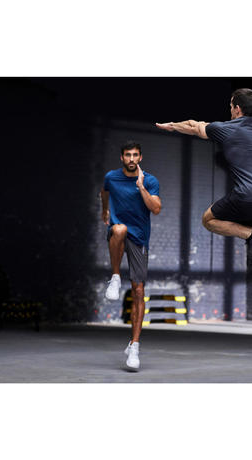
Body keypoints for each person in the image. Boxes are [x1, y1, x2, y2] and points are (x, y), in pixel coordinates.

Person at [156, 88, 252, 275]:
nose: (230, 110)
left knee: (209, 219)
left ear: (237, 109)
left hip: (249, 197)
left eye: (231, 106)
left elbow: (194, 126)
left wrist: (173, 125)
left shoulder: (227, 129)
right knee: (245, 220)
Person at [101, 141, 161, 371]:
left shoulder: (150, 180)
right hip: (120, 231)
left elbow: (156, 208)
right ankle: (115, 277)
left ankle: (134, 345)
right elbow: (104, 192)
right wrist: (104, 211)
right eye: (128, 155)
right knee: (119, 229)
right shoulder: (111, 177)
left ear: (140, 157)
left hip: (140, 238)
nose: (132, 159)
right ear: (122, 158)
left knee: (138, 290)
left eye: (135, 155)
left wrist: (141, 187)